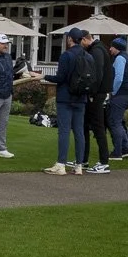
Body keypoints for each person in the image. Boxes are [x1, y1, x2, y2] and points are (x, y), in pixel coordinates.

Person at [42, 28, 93, 175]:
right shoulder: (89, 57)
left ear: (70, 39)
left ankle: (61, 164)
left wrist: (43, 76)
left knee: (64, 131)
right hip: (81, 98)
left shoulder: (66, 55)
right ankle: (78, 165)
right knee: (79, 132)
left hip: (66, 97)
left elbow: (60, 78)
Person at [80, 30, 112, 174]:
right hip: (97, 93)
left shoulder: (97, 51)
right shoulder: (98, 49)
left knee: (98, 127)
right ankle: (83, 159)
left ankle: (104, 162)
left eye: (80, 42)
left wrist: (92, 92)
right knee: (85, 125)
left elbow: (97, 74)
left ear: (85, 39)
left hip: (97, 94)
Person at [105, 36, 128, 160]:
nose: (110, 49)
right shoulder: (126, 57)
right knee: (118, 123)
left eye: (112, 46)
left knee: (115, 123)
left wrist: (112, 92)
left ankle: (117, 153)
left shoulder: (119, 59)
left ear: (117, 47)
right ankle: (126, 149)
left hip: (121, 96)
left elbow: (118, 78)